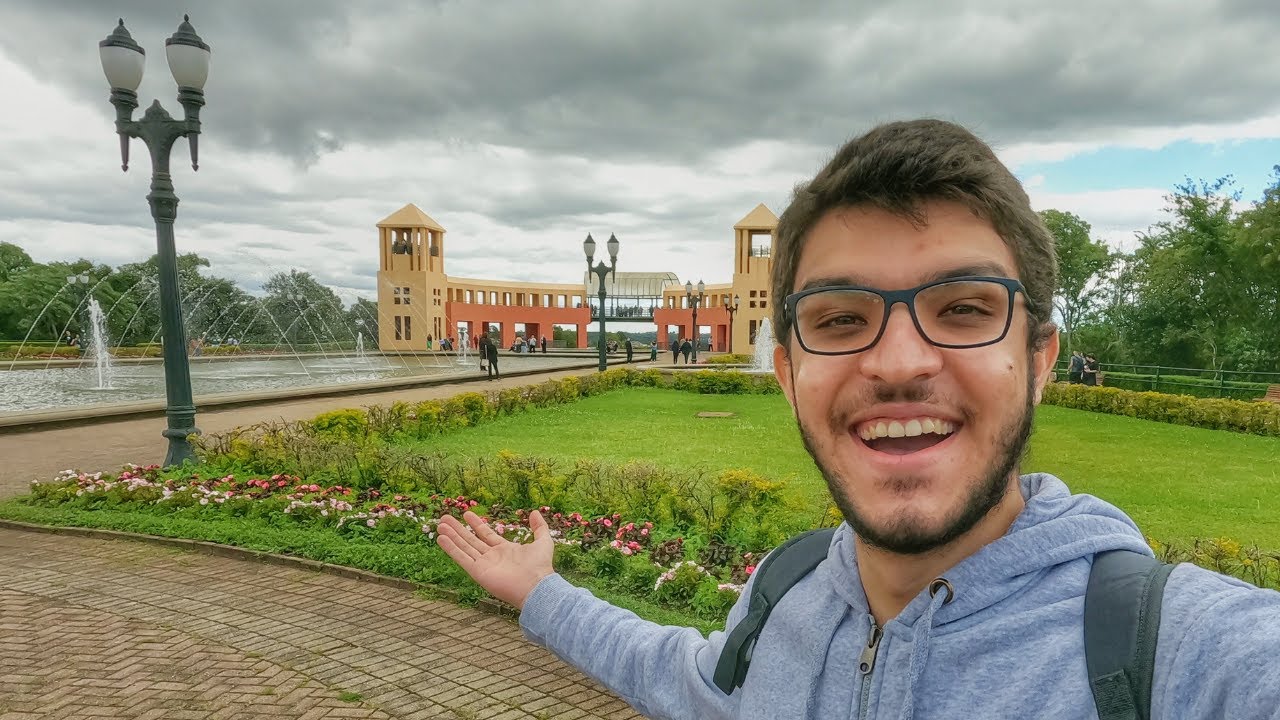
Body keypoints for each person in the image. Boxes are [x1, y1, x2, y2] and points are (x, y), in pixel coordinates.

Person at [435, 119, 1280, 719]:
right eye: (841, 318)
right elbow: (683, 681)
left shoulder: (1170, 655)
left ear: (1039, 358)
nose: (901, 362)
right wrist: (539, 591)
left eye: (963, 308)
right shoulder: (784, 600)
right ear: (788, 371)